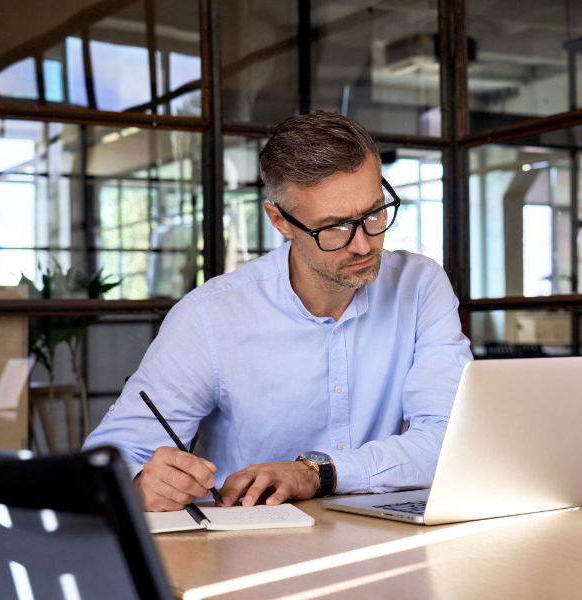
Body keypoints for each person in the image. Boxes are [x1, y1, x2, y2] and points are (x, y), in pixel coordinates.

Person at [83, 111, 472, 511]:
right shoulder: (210, 316)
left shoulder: (420, 284)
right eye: (335, 227)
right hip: (249, 547)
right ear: (280, 221)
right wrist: (139, 481)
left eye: (374, 213)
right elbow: (109, 457)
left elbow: (451, 438)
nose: (363, 245)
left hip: (387, 541)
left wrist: (317, 473)